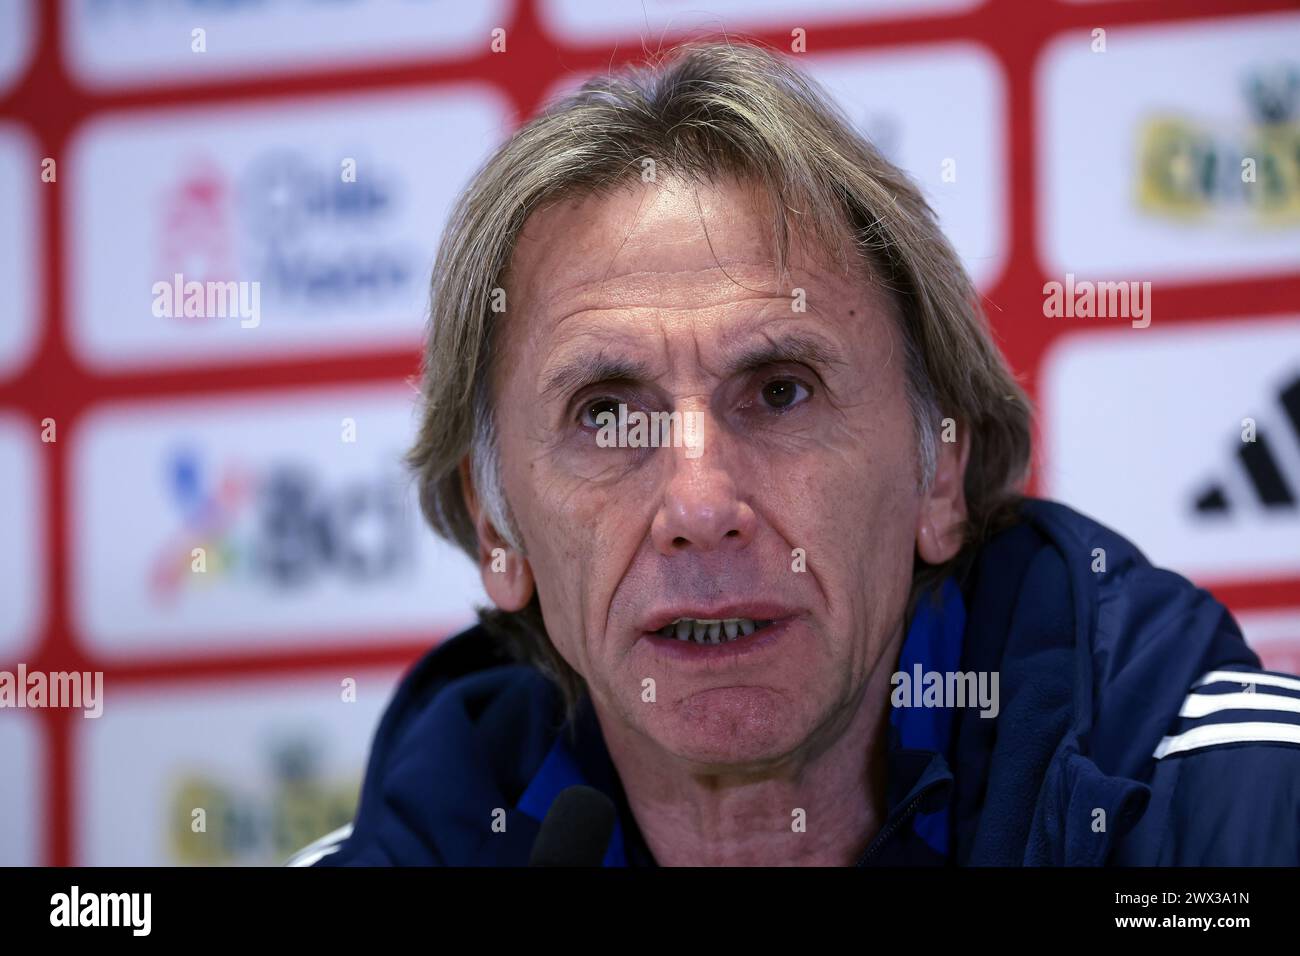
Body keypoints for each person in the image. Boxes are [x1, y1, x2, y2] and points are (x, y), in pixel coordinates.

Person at [289, 40, 1300, 867]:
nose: (698, 500)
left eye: (779, 392)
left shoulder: (1227, 811)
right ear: (494, 525)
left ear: (938, 469)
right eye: (605, 414)